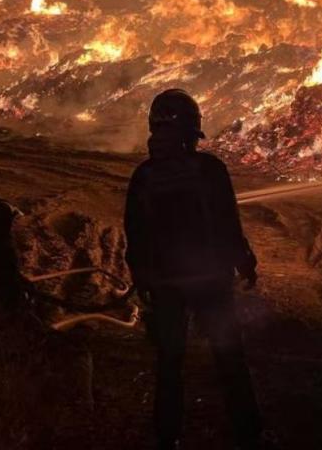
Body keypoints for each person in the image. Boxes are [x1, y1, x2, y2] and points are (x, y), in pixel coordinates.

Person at [124, 89, 262, 450]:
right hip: (212, 281)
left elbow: (135, 234)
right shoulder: (210, 170)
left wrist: (143, 277)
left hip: (168, 285)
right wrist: (244, 261)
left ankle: (168, 437)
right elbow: (228, 224)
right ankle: (248, 433)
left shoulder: (144, 176)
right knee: (229, 357)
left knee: (170, 362)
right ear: (191, 129)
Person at [0, 199, 94, 414]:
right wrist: (29, 309)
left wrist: (21, 283)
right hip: (3, 321)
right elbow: (10, 300)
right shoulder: (3, 250)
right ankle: (81, 408)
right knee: (77, 352)